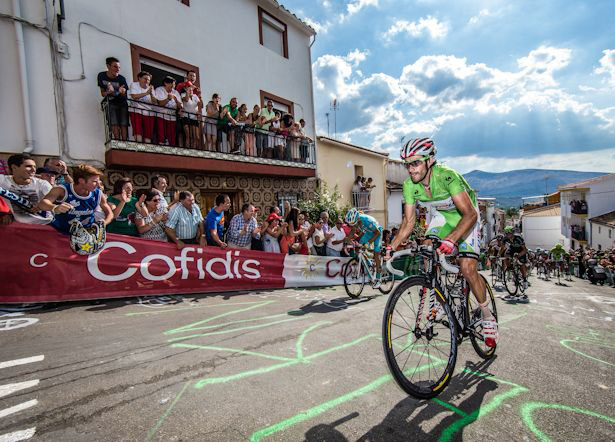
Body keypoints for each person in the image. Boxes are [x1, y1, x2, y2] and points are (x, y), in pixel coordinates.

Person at [390, 137, 498, 348]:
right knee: (429, 248)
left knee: (467, 268)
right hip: (444, 218)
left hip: (467, 217)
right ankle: (441, 299)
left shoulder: (448, 177)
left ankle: (487, 315)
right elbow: (409, 223)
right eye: (407, 164)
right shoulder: (409, 186)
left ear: (430, 160)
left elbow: (469, 215)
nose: (411, 170)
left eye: (415, 163)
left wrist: (451, 240)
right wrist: (391, 247)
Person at [39, 164, 113, 233]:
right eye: (94, 181)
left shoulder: (98, 193)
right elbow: (42, 203)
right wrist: (55, 208)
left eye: (99, 181)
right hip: (61, 233)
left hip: (85, 236)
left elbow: (110, 213)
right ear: (81, 181)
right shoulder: (62, 190)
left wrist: (103, 223)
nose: (98, 184)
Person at [0, 154, 53, 225]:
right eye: (28, 166)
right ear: (14, 167)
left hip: (43, 225)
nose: (34, 170)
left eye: (34, 166)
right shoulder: (2, 180)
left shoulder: (43, 184)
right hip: (15, 227)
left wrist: (42, 206)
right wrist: (3, 213)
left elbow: (54, 203)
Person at [345, 208, 384, 287]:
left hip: (377, 232)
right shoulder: (354, 221)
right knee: (358, 247)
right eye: (351, 225)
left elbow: (377, 233)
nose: (353, 226)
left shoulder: (366, 220)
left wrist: (368, 243)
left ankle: (379, 278)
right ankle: (369, 264)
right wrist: (347, 240)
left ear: (358, 219)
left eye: (354, 224)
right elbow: (352, 231)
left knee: (376, 253)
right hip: (368, 232)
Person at [97, 57, 129, 141]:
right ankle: (117, 142)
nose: (118, 69)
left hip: (122, 103)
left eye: (119, 67)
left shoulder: (121, 79)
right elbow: (103, 94)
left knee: (123, 123)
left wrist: (118, 92)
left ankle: (124, 143)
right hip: (110, 102)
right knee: (113, 122)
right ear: (108, 66)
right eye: (115, 66)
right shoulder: (101, 76)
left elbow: (123, 94)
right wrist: (109, 92)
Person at [500, 226, 529, 301]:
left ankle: (525, 279)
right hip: (512, 249)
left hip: (521, 250)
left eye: (509, 233)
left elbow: (525, 250)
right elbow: (502, 248)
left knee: (521, 264)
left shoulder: (518, 238)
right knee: (506, 256)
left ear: (512, 233)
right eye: (506, 233)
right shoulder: (505, 239)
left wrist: (518, 256)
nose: (508, 235)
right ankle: (510, 268)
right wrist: (498, 255)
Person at [128, 71, 156, 143]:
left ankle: (147, 150)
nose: (147, 81)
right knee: (138, 131)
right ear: (139, 78)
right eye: (145, 78)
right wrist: (146, 93)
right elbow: (134, 96)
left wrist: (152, 94)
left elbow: (154, 102)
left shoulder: (151, 88)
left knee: (148, 134)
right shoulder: (134, 85)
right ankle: (139, 148)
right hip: (136, 111)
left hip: (149, 113)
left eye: (148, 80)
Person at [154, 76, 182, 146]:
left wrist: (176, 101)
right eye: (172, 84)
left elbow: (181, 106)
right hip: (161, 115)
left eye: (174, 85)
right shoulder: (159, 90)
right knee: (161, 134)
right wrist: (168, 99)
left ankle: (171, 149)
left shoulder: (175, 92)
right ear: (165, 83)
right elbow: (160, 103)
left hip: (172, 117)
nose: (173, 86)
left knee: (172, 136)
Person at [180, 83, 203, 149]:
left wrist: (199, 113)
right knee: (188, 135)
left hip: (194, 118)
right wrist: (187, 92)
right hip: (186, 117)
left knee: (196, 136)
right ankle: (188, 149)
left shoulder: (195, 96)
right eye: (189, 89)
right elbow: (186, 100)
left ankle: (194, 149)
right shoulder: (183, 94)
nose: (191, 91)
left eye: (191, 90)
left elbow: (199, 104)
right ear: (186, 89)